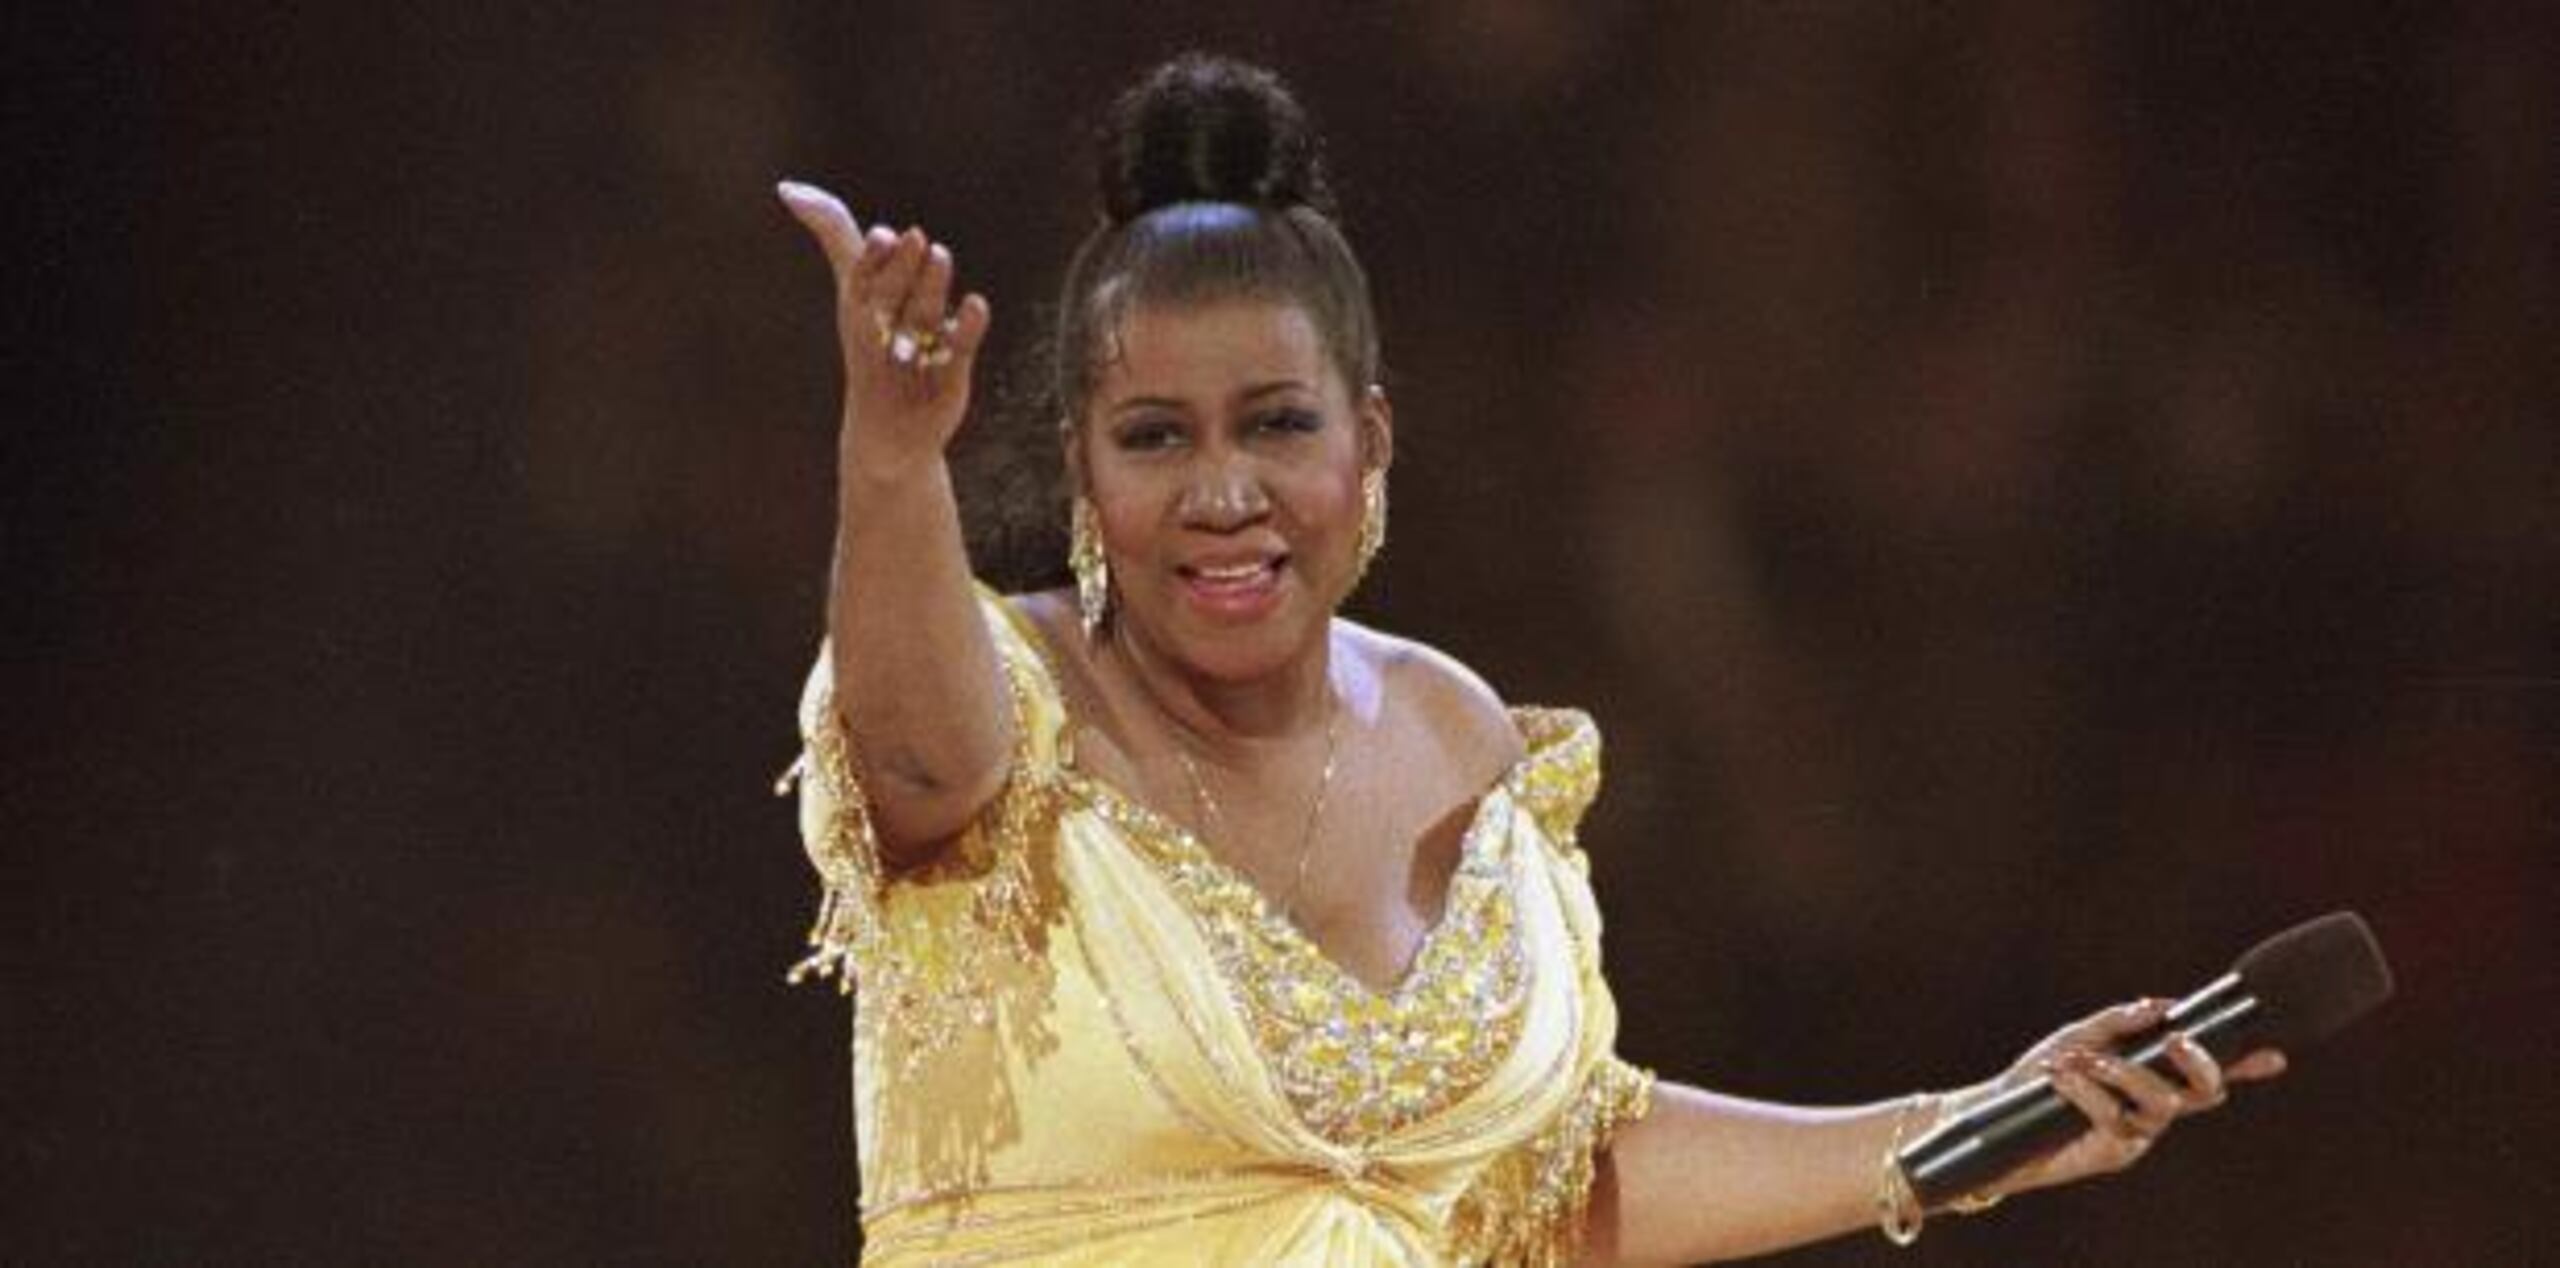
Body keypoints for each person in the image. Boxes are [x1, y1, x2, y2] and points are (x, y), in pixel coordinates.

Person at [770, 54, 2284, 1266]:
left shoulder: (1452, 734)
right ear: (1084, 474)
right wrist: (894, 463)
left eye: (1277, 425)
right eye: (1156, 437)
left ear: (1368, 444)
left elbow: (1564, 1173)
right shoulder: (1003, 692)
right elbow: (916, 757)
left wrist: (1977, 1125)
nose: (1223, 494)